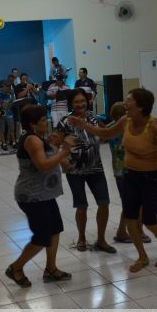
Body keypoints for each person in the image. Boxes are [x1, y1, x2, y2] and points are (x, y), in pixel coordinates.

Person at [67, 88, 157, 272]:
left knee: (149, 220)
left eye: (129, 100)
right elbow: (106, 133)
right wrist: (83, 125)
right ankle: (142, 256)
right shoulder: (126, 120)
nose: (125, 103)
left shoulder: (154, 125)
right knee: (131, 218)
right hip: (130, 174)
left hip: (152, 177)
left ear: (140, 106)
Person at [5, 104, 75, 287]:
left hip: (45, 195)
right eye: (43, 120)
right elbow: (43, 165)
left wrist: (56, 149)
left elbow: (58, 163)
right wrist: (64, 151)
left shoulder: (39, 139)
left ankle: (51, 269)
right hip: (33, 197)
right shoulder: (31, 140)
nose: (47, 123)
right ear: (33, 124)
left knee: (54, 229)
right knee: (42, 236)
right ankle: (16, 267)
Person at [56, 88, 116, 254]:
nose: (81, 104)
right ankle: (81, 237)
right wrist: (61, 159)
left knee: (104, 203)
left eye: (83, 101)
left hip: (96, 168)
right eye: (76, 102)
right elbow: (54, 144)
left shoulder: (94, 118)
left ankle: (101, 239)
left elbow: (105, 134)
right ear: (71, 104)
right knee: (81, 206)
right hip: (75, 171)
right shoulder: (65, 122)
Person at [107, 102, 151, 245]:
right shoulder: (124, 129)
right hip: (127, 171)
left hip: (123, 171)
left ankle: (133, 230)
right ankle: (125, 231)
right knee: (132, 203)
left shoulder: (111, 128)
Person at [0, 79, 15, 150]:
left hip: (9, 112)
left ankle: (14, 142)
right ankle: (4, 143)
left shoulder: (10, 93)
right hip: (0, 113)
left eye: (9, 87)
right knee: (2, 129)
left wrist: (9, 103)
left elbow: (12, 102)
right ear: (3, 86)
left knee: (12, 128)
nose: (8, 88)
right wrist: (4, 104)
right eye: (7, 87)